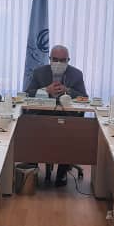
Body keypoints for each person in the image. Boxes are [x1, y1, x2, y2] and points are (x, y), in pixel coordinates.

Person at [23, 45, 89, 186]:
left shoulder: (76, 74)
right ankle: (31, 168)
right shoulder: (40, 72)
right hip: (42, 115)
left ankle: (63, 170)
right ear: (50, 59)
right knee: (30, 126)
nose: (58, 63)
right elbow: (28, 93)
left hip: (67, 116)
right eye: (55, 59)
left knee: (68, 131)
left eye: (62, 60)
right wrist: (45, 90)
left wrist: (67, 90)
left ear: (68, 60)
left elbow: (84, 97)